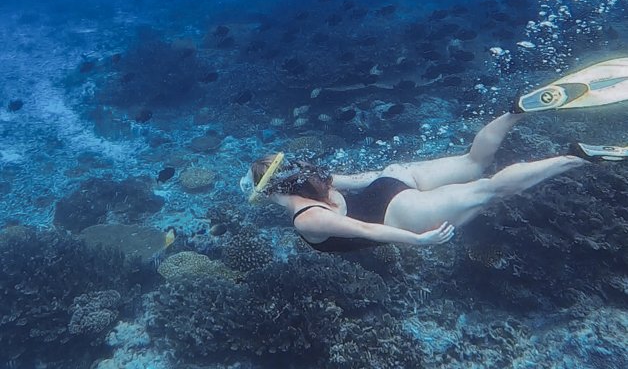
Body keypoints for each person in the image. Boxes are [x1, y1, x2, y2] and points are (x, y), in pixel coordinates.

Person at [239, 111, 608, 253]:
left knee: (488, 189)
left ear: (266, 193)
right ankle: (515, 112)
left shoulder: (305, 217)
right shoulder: (315, 181)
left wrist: (419, 240)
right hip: (393, 177)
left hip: (397, 212)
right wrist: (386, 176)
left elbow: (366, 231)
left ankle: (574, 157)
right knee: (473, 161)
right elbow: (361, 179)